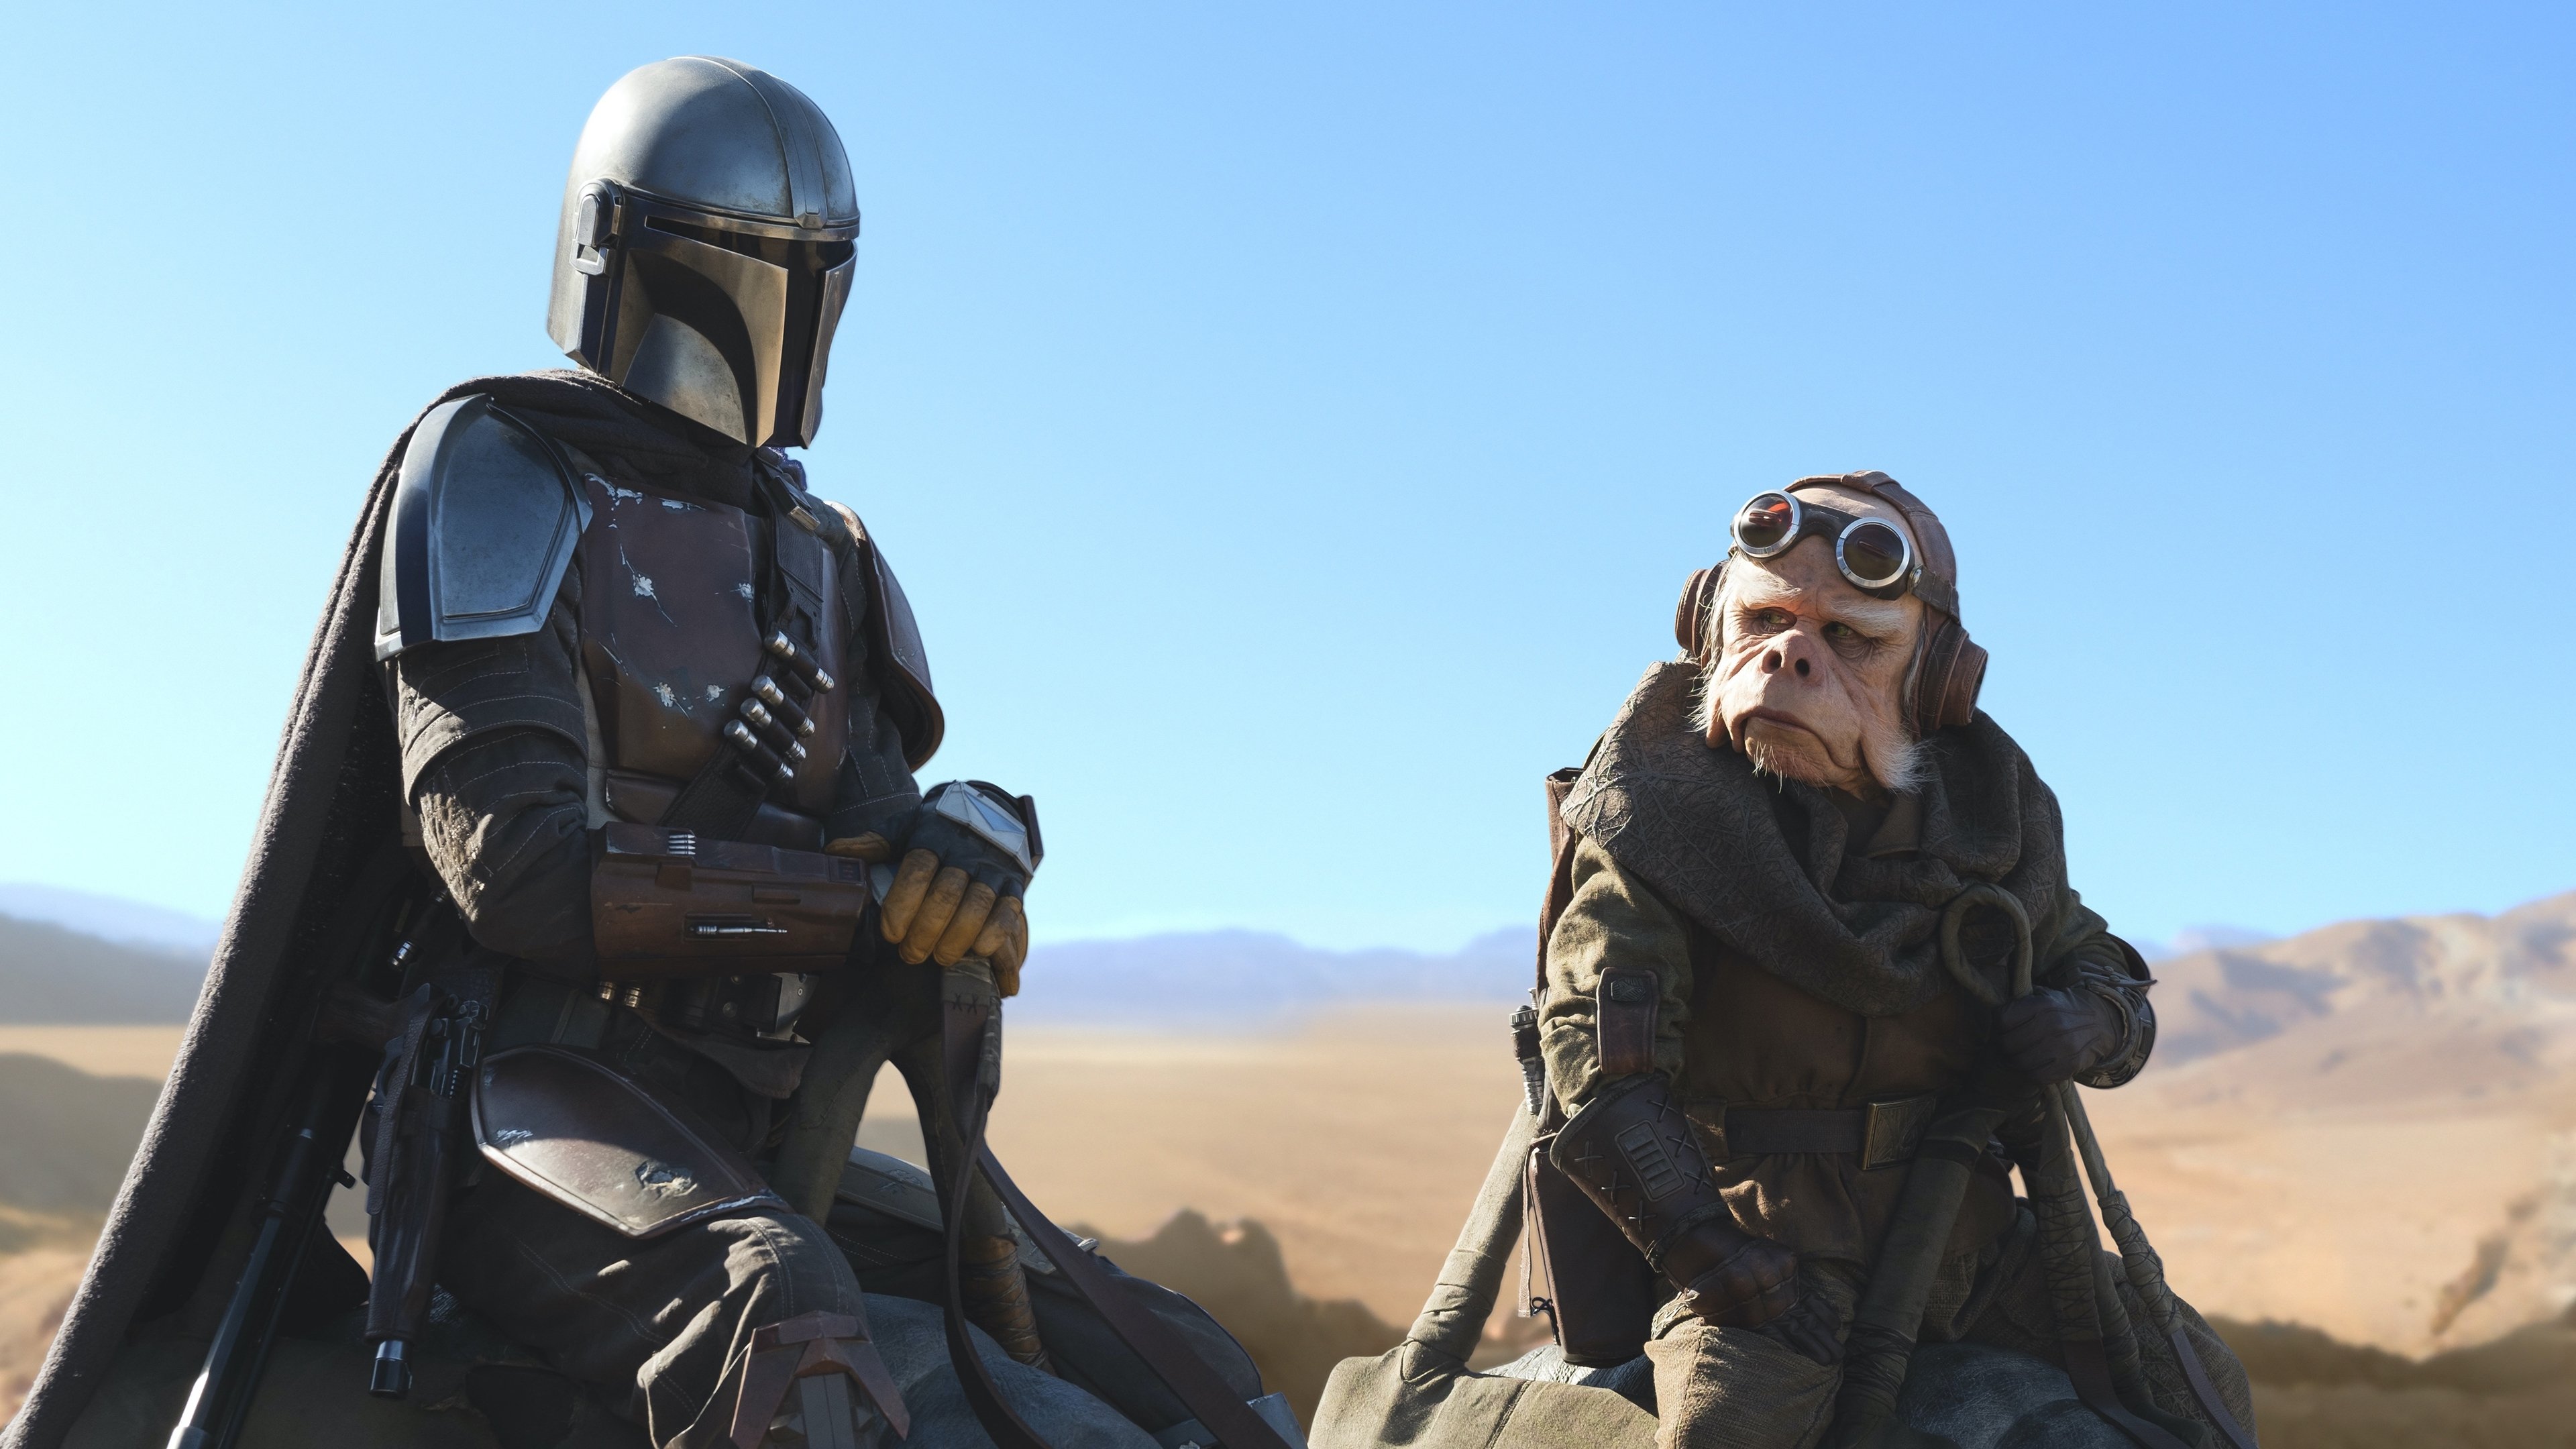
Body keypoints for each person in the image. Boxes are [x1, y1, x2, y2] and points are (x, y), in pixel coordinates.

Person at [10, 57, 1273, 1449]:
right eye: (752, 262)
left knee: (1163, 1350)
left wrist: (965, 844)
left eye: (815, 270)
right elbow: (516, 869)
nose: (787, 306)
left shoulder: (823, 554)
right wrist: (860, 900)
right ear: (629, 255)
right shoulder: (501, 470)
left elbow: (875, 822)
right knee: (782, 1318)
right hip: (523, 1112)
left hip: (751, 1123)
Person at [1532, 472, 2253, 1447]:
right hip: (1770, 1252)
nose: (1791, 655)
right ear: (1710, 630)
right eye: (1764, 621)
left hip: (1972, 1238)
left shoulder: (1993, 813)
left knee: (2203, 1390)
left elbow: (2095, 961)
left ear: (1933, 678)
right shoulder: (1653, 812)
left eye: (1850, 637)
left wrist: (2091, 1021)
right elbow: (1598, 1057)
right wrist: (1709, 1253)